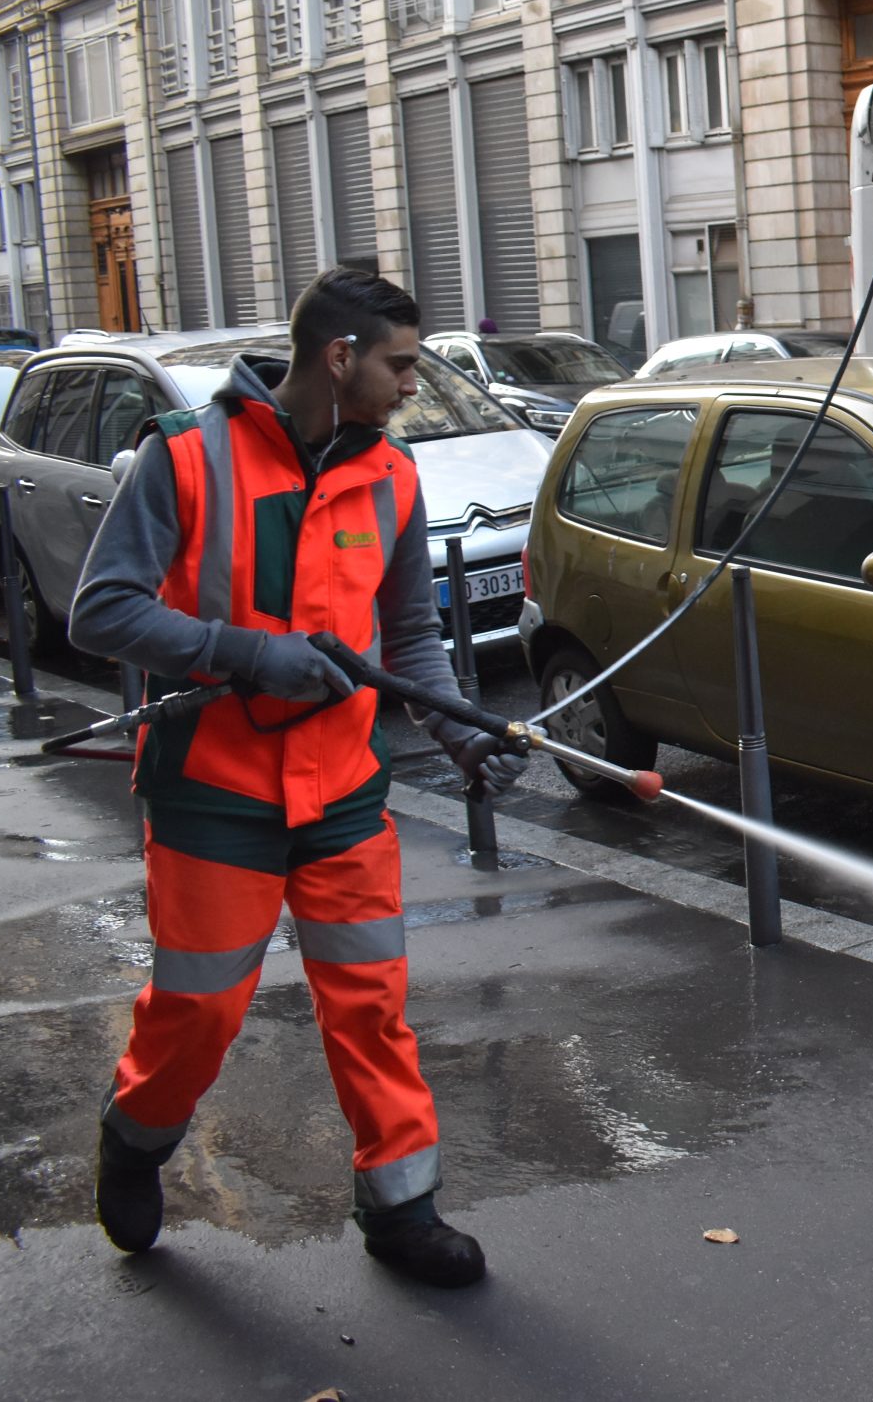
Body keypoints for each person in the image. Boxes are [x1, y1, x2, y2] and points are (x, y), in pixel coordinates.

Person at [68, 268, 528, 1288]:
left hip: (345, 796)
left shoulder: (394, 479)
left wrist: (458, 738)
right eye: (399, 365)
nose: (413, 384)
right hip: (214, 795)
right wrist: (242, 653)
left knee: (371, 1003)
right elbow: (98, 612)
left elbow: (409, 637)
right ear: (339, 359)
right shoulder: (185, 459)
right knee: (201, 1008)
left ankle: (402, 1209)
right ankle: (135, 1140)